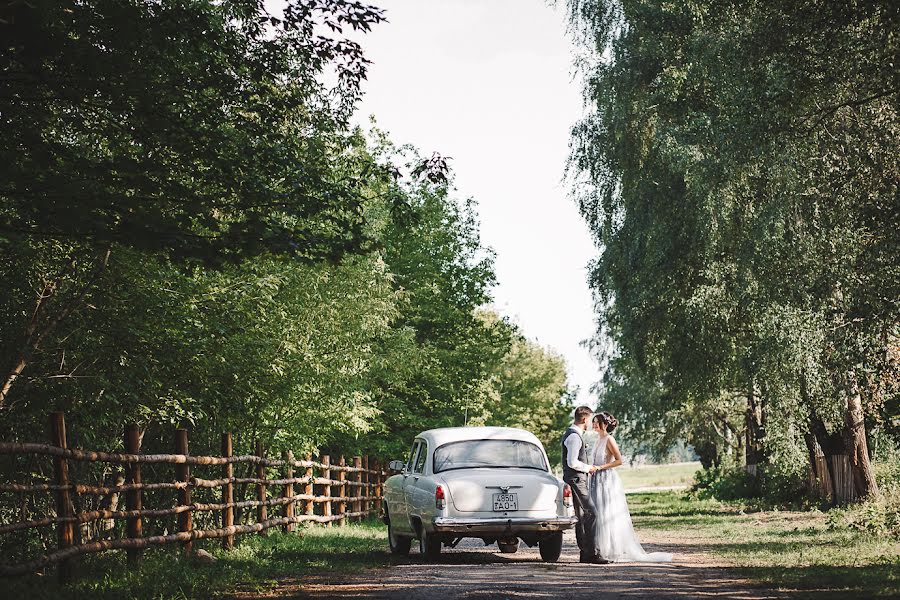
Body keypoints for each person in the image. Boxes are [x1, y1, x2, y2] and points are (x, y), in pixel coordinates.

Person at [589, 411, 673, 562]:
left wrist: (601, 468)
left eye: (597, 422)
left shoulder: (609, 439)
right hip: (595, 479)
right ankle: (600, 548)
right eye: (593, 422)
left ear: (605, 425)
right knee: (598, 512)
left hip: (606, 478)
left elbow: (619, 461)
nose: (594, 424)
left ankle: (610, 549)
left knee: (607, 511)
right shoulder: (597, 440)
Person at [561, 405, 606, 564]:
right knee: (592, 513)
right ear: (585, 419)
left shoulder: (573, 434)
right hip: (576, 480)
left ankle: (586, 553)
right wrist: (589, 468)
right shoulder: (574, 436)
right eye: (590, 419)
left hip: (575, 479)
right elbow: (572, 462)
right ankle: (593, 554)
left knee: (582, 516)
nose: (591, 424)